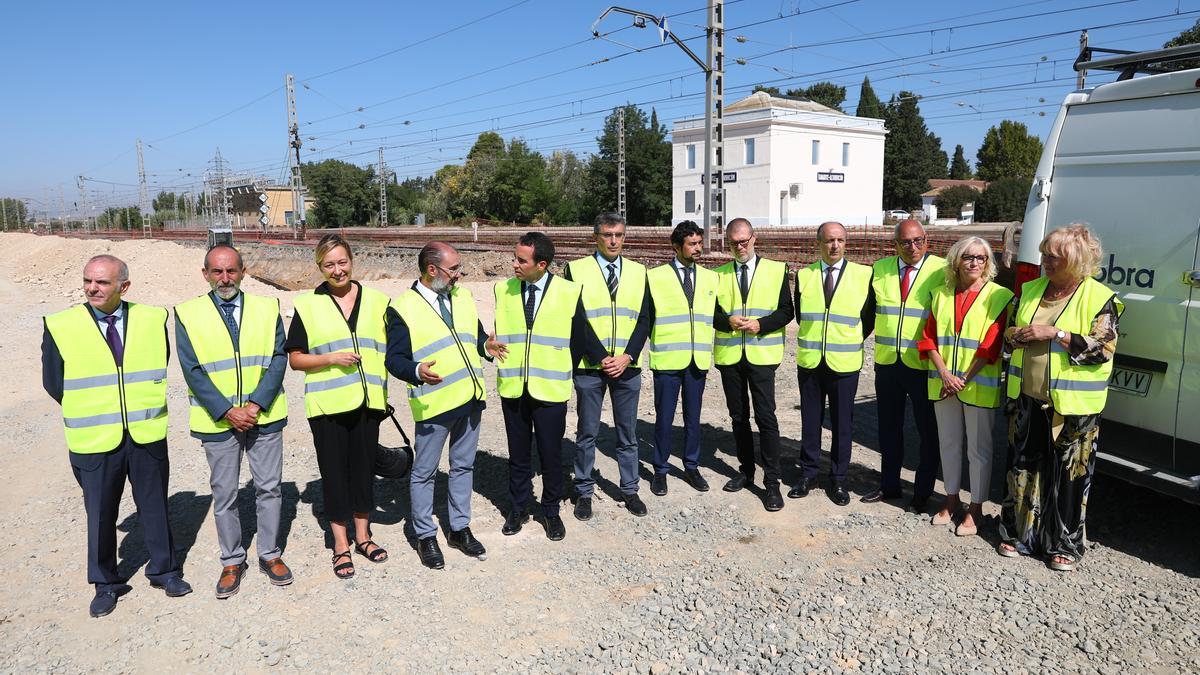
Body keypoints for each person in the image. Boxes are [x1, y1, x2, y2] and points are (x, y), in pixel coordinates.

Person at [42, 255, 192, 617]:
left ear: (124, 286)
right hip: (95, 438)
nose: (92, 288)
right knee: (100, 513)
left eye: (102, 283)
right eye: (88, 281)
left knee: (155, 506)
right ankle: (105, 583)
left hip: (145, 432)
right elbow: (54, 383)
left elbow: (159, 364)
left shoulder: (152, 318)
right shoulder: (61, 324)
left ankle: (165, 571)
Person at [999, 224, 1122, 571]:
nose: (1045, 261)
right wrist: (1015, 335)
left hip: (1072, 406)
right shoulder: (1030, 289)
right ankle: (1019, 535)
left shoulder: (1098, 297)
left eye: (1054, 256)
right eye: (1044, 254)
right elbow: (1008, 333)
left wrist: (1056, 333)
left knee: (1068, 478)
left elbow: (1102, 349)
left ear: (1076, 260)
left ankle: (1064, 545)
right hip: (1027, 397)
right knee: (1023, 470)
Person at [175, 245, 292, 597]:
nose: (224, 278)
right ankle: (231, 559)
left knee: (269, 487)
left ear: (243, 272)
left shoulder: (266, 307)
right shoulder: (187, 313)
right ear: (205, 274)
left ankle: (270, 554)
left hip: (264, 415)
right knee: (224, 493)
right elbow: (191, 369)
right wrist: (227, 411)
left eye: (231, 271)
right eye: (217, 272)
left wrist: (255, 404)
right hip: (219, 422)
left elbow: (278, 356)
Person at [385, 242, 505, 569]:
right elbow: (394, 360)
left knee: (463, 467)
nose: (459, 274)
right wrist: (416, 371)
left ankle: (459, 528)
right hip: (435, 404)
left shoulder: (462, 297)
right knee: (424, 472)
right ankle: (425, 535)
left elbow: (475, 338)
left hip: (470, 398)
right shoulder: (402, 308)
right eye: (454, 269)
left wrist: (486, 346)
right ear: (432, 270)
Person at [286, 234, 390, 579]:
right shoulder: (308, 306)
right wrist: (331, 358)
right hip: (327, 406)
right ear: (320, 267)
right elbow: (296, 360)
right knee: (334, 475)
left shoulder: (378, 301)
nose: (337, 269)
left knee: (363, 471)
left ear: (352, 261)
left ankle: (364, 536)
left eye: (342, 261)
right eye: (329, 264)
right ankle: (341, 545)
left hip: (368, 403)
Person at [495, 232, 607, 541]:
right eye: (515, 257)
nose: (514, 264)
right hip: (514, 386)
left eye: (521, 260)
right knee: (517, 456)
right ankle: (517, 508)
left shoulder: (569, 292)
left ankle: (551, 511)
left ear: (542, 265)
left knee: (550, 455)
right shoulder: (502, 289)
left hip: (550, 389)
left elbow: (580, 339)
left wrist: (563, 365)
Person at [918, 236, 1012, 537]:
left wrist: (962, 379)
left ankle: (976, 509)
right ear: (956, 261)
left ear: (988, 264)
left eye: (981, 258)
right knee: (948, 444)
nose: (974, 263)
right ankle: (950, 499)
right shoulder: (940, 294)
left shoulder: (1000, 296)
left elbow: (991, 345)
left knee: (979, 450)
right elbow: (928, 338)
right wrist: (946, 374)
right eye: (968, 257)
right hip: (944, 383)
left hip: (977, 386)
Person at [563, 213, 651, 520]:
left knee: (627, 434)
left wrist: (627, 356)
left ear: (625, 237)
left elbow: (644, 318)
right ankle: (584, 491)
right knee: (587, 432)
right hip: (591, 367)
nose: (613, 241)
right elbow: (577, 320)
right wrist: (602, 356)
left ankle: (630, 490)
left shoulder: (640, 272)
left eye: (619, 235)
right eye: (607, 235)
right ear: (596, 238)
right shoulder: (576, 270)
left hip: (627, 367)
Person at [863, 220, 946, 511]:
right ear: (895, 244)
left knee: (928, 431)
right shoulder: (880, 268)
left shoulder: (942, 269)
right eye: (906, 242)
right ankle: (889, 485)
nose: (913, 247)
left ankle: (923, 493)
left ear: (927, 240)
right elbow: (868, 315)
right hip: (887, 362)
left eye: (918, 240)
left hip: (923, 365)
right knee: (889, 428)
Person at [790, 222, 875, 506]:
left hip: (844, 363)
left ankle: (838, 480)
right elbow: (802, 316)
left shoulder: (864, 275)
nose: (835, 245)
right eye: (829, 241)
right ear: (819, 243)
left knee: (842, 425)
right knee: (810, 422)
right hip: (812, 361)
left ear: (846, 242)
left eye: (839, 240)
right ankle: (808, 473)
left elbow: (868, 320)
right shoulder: (804, 275)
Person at [712, 218, 794, 511]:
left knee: (766, 418)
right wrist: (727, 322)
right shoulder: (718, 275)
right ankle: (746, 472)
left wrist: (762, 324)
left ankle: (772, 483)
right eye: (734, 242)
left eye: (744, 240)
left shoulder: (775, 270)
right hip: (731, 356)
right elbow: (710, 314)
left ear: (754, 239)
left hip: (762, 356)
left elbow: (787, 311)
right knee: (738, 418)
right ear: (727, 242)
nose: (740, 246)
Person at [647, 220, 718, 497]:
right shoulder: (655, 277)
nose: (698, 248)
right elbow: (646, 319)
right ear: (676, 247)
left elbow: (717, 316)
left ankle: (691, 466)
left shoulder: (712, 278)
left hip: (697, 360)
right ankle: (661, 470)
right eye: (692, 244)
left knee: (693, 418)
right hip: (667, 360)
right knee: (664, 419)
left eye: (699, 243)